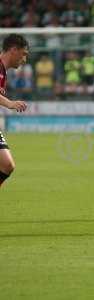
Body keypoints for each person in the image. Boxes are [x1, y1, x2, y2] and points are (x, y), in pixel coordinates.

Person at [0, 34, 29, 189]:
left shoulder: (3, 72)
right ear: (13, 50)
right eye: (23, 54)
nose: (24, 59)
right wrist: (10, 103)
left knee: (7, 165)